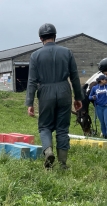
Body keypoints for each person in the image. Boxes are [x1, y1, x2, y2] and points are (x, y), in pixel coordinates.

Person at [26, 23, 83, 169]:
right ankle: (63, 163)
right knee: (62, 128)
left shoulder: (35, 56)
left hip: (45, 92)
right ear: (55, 36)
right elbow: (75, 77)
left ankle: (48, 151)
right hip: (64, 90)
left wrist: (30, 103)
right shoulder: (67, 52)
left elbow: (32, 81)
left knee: (45, 126)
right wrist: (78, 97)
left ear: (40, 38)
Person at [89, 74, 107, 139]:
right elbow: (89, 97)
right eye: (105, 79)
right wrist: (93, 97)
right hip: (98, 107)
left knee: (106, 122)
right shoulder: (95, 88)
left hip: (106, 106)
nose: (106, 80)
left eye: (106, 79)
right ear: (101, 80)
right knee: (102, 122)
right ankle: (105, 135)